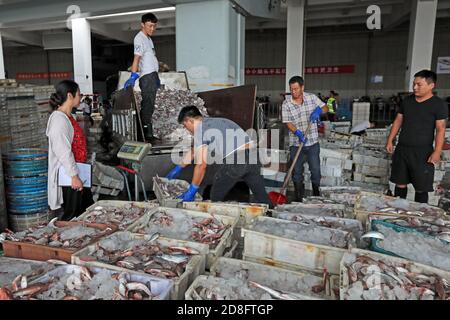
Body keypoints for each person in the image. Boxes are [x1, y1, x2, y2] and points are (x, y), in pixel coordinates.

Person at [165, 106, 273, 207]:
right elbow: (194, 150)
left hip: (236, 161)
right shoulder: (217, 121)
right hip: (254, 157)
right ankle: (273, 217)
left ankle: (215, 221)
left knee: (215, 196)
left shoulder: (200, 130)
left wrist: (192, 190)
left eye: (185, 125)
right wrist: (179, 167)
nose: (186, 129)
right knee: (262, 197)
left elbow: (201, 166)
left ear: (190, 120)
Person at [386, 70, 448, 204]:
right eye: (414, 84)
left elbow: (440, 129)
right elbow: (398, 121)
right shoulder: (407, 101)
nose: (414, 87)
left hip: (423, 152)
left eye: (419, 84)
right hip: (402, 149)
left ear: (431, 85)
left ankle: (420, 216)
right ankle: (399, 210)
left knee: (421, 188)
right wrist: (390, 140)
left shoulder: (438, 105)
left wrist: (437, 151)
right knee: (400, 183)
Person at [46, 80, 94, 220]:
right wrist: (74, 176)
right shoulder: (58, 120)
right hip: (69, 178)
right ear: (70, 96)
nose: (80, 98)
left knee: (86, 212)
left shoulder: (68, 117)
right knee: (72, 216)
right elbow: (63, 151)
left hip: (79, 172)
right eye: (79, 94)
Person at [282, 76, 328, 202]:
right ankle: (298, 198)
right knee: (296, 173)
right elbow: (288, 123)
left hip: (312, 143)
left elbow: (326, 108)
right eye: (291, 89)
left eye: (296, 89)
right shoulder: (286, 104)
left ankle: (316, 196)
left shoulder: (312, 98)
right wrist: (297, 133)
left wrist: (318, 111)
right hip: (296, 144)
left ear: (302, 87)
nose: (293, 92)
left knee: (315, 171)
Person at [124, 13, 161, 142]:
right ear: (142, 24)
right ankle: (144, 134)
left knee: (149, 105)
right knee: (148, 104)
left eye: (154, 26)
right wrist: (133, 75)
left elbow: (150, 58)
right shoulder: (139, 38)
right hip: (147, 76)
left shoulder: (148, 39)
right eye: (150, 26)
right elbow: (137, 58)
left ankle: (147, 133)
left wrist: (156, 75)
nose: (152, 29)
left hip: (152, 75)